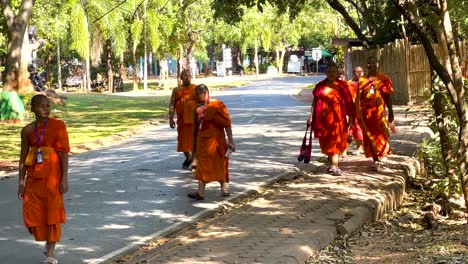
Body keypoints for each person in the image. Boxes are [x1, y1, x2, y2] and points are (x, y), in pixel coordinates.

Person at [17, 94, 70, 264]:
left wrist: (64, 179)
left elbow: (63, 154)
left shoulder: (58, 126)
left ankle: (51, 253)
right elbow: (23, 156)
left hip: (53, 176)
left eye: (48, 106)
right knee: (31, 211)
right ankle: (46, 241)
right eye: (41, 106)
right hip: (34, 176)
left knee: (52, 212)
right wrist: (21, 182)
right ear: (32, 109)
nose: (46, 109)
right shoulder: (27, 130)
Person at [188, 84, 235, 200]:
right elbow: (195, 128)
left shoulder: (217, 105)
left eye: (197, 95)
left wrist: (231, 140)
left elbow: (227, 124)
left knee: (221, 164)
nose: (196, 98)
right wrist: (194, 152)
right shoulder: (197, 109)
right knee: (202, 166)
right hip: (202, 143)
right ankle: (201, 193)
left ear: (204, 93)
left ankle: (224, 189)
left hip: (217, 141)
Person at [309, 62, 355, 176]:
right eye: (329, 72)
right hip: (323, 120)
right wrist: (311, 116)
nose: (331, 74)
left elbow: (349, 103)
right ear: (326, 73)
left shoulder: (343, 86)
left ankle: (334, 167)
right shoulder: (320, 86)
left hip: (338, 120)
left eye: (333, 72)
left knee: (336, 142)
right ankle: (332, 165)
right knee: (326, 143)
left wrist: (352, 118)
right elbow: (315, 102)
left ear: (337, 73)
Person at [355, 56, 394, 170]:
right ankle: (375, 160)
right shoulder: (362, 80)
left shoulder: (383, 78)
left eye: (373, 63)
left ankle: (382, 157)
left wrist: (391, 112)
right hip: (366, 113)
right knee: (369, 135)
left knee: (380, 134)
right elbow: (358, 98)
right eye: (369, 63)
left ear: (377, 65)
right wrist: (357, 113)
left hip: (379, 113)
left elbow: (388, 97)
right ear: (366, 65)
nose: (371, 65)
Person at [169, 69, 198, 169]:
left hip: (194, 120)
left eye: (189, 75)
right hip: (182, 121)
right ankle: (188, 158)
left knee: (195, 141)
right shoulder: (176, 90)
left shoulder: (195, 88)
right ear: (181, 78)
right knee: (182, 141)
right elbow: (172, 104)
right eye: (185, 75)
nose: (187, 77)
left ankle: (194, 160)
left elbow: (202, 103)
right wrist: (171, 118)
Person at [347, 66, 365, 154]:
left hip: (363, 108)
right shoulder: (349, 84)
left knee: (360, 127)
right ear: (354, 73)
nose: (360, 73)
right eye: (357, 72)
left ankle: (361, 147)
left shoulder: (366, 83)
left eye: (361, 71)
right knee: (353, 128)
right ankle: (357, 147)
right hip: (352, 109)